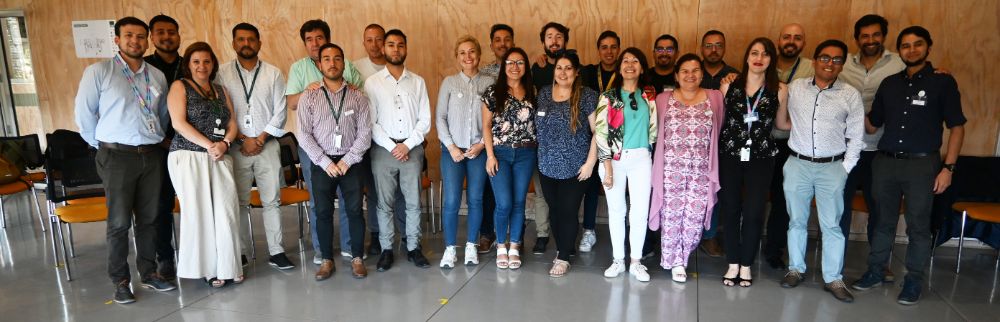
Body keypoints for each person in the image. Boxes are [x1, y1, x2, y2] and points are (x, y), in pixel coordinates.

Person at [852, 26, 966, 306]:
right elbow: (872, 124)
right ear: (899, 50)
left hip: (922, 165)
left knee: (918, 225)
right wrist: (848, 102)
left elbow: (957, 127)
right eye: (905, 45)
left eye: (917, 44)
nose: (911, 50)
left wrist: (948, 168)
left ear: (928, 47)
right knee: (882, 221)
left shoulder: (943, 82)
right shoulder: (889, 83)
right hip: (885, 163)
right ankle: (876, 271)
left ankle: (913, 280)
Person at [74, 16, 175, 304]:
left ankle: (149, 272)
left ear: (147, 41)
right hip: (116, 155)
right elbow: (84, 115)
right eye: (129, 35)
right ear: (117, 39)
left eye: (141, 36)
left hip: (151, 155)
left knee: (150, 219)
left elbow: (162, 116)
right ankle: (120, 281)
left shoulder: (157, 76)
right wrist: (104, 147)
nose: (135, 41)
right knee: (118, 223)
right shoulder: (99, 71)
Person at [777, 40, 864, 303]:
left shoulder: (850, 94)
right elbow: (773, 96)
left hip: (832, 167)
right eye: (824, 58)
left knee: (832, 225)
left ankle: (833, 278)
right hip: (798, 164)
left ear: (842, 64)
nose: (830, 63)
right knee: (796, 221)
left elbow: (856, 136)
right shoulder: (796, 88)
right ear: (814, 61)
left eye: (837, 59)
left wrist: (845, 168)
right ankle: (795, 269)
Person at [285, 19, 363, 264]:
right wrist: (310, 91)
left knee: (350, 203)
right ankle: (323, 251)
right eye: (309, 39)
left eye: (319, 37)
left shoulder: (346, 65)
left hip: (347, 151)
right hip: (315, 151)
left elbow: (359, 93)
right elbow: (292, 103)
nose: (315, 43)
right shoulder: (299, 69)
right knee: (320, 203)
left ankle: (350, 247)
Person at [216, 23, 294, 270]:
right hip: (235, 146)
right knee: (238, 201)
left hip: (267, 145)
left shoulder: (273, 73)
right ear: (233, 43)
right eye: (241, 39)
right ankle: (239, 252)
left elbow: (281, 112)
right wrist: (242, 139)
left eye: (251, 39)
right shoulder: (221, 73)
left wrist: (259, 139)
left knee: (272, 200)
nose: (246, 44)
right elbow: (220, 110)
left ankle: (277, 252)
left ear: (259, 43)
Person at [166, 41, 242, 289]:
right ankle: (208, 269)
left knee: (226, 212)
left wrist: (225, 144)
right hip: (188, 156)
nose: (202, 66)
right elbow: (178, 123)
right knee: (200, 213)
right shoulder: (180, 87)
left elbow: (232, 123)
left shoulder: (221, 90)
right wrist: (210, 145)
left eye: (207, 61)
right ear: (188, 65)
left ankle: (230, 266)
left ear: (213, 64)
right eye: (196, 61)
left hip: (220, 156)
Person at [838, 15, 906, 283]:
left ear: (884, 36)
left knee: (880, 209)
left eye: (876, 35)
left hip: (881, 149)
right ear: (857, 39)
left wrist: (939, 71)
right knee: (839, 207)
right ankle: (836, 260)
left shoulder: (900, 63)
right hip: (844, 148)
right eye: (864, 36)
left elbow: (922, 76)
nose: (870, 40)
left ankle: (879, 263)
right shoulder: (843, 64)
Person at [717, 38, 788, 287]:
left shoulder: (780, 89)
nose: (759, 58)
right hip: (730, 154)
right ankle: (732, 262)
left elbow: (781, 124)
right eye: (754, 52)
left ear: (771, 59)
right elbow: (720, 122)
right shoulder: (729, 85)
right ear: (747, 57)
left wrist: (813, 127)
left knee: (754, 211)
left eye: (765, 54)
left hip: (761, 157)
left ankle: (746, 264)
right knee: (730, 208)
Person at [298, 43, 372, 281]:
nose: (332, 63)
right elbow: (303, 134)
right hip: (323, 163)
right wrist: (325, 162)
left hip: (351, 162)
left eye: (337, 58)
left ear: (343, 63)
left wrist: (348, 160)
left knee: (355, 211)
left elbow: (365, 133)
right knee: (322, 212)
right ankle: (326, 259)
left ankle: (357, 258)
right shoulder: (309, 96)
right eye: (327, 59)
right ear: (320, 64)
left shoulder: (357, 96)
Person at [650, 53, 724, 283]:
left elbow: (718, 128)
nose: (690, 75)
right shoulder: (663, 99)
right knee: (671, 215)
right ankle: (674, 262)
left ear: (702, 74)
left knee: (694, 215)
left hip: (701, 170)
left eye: (695, 70)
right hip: (670, 169)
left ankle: (683, 257)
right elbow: (655, 132)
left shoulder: (715, 97)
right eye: (684, 71)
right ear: (676, 75)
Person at [366, 29, 432, 271]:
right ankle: (386, 249)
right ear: (384, 48)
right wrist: (393, 147)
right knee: (384, 203)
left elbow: (425, 119)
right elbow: (371, 121)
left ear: (406, 48)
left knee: (413, 202)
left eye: (400, 45)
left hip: (411, 149)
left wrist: (407, 145)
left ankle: (413, 247)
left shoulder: (418, 81)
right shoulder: (372, 83)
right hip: (383, 150)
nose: (396, 49)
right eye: (391, 44)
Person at [595, 48, 657, 282]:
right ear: (619, 68)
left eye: (635, 61)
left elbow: (654, 130)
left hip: (642, 158)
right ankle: (618, 260)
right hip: (614, 160)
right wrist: (608, 167)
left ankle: (636, 262)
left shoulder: (649, 95)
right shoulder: (609, 97)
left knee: (639, 212)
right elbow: (601, 133)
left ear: (642, 68)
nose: (630, 64)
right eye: (625, 61)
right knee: (617, 211)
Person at [536, 50, 598, 277]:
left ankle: (562, 257)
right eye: (559, 68)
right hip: (546, 164)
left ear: (576, 72)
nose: (563, 73)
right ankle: (565, 246)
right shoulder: (544, 93)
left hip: (576, 166)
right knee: (554, 210)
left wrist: (590, 162)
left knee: (568, 210)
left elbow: (598, 132)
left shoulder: (587, 96)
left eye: (568, 68)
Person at [436, 35, 493, 268]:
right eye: (462, 53)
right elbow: (440, 117)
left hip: (478, 151)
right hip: (452, 152)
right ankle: (450, 248)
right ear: (457, 57)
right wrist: (451, 147)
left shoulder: (489, 83)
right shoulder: (449, 83)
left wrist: (481, 145)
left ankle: (471, 245)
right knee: (451, 200)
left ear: (479, 55)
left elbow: (495, 119)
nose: (467, 56)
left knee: (476, 199)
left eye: (472, 52)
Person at [763, 22, 815, 270]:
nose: (791, 41)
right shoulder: (764, 63)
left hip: (790, 144)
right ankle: (745, 245)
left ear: (803, 43)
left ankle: (774, 249)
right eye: (786, 37)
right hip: (760, 142)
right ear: (778, 41)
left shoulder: (811, 68)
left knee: (783, 200)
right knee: (755, 197)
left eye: (797, 37)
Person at [482, 47, 536, 270]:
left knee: (518, 201)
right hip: (500, 153)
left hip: (526, 153)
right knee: (504, 202)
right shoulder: (493, 92)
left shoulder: (532, 90)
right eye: (510, 62)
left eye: (520, 62)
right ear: (503, 66)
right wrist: (490, 156)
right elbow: (486, 126)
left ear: (526, 66)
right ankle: (501, 245)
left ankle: (514, 245)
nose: (515, 67)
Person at [143, 14, 181, 280]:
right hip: (157, 146)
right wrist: (162, 139)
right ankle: (164, 257)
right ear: (152, 37)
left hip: (192, 145)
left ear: (178, 35)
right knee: (161, 204)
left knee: (196, 201)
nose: (167, 37)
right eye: (160, 32)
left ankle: (198, 252)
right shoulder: (144, 69)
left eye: (171, 32)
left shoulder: (189, 65)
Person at [577, 30, 620, 253]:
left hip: (619, 137)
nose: (609, 51)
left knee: (619, 184)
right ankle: (589, 229)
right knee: (592, 185)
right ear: (598, 50)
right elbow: (564, 68)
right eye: (604, 47)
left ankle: (622, 232)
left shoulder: (625, 72)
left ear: (618, 49)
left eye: (613, 47)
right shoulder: (587, 72)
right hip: (591, 136)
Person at [529, 22, 569, 254]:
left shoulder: (575, 67)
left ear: (565, 40)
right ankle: (542, 234)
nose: (554, 41)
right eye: (549, 37)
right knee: (542, 192)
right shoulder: (537, 68)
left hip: (569, 144)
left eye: (559, 37)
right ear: (543, 42)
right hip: (542, 142)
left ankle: (567, 236)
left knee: (566, 195)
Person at [698, 30, 737, 258]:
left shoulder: (734, 75)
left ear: (724, 48)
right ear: (701, 48)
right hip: (693, 141)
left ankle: (710, 235)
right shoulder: (694, 72)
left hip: (723, 142)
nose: (713, 50)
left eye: (718, 45)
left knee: (716, 189)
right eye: (708, 45)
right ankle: (689, 233)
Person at [475, 24, 512, 254]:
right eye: (497, 40)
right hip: (488, 142)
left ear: (513, 43)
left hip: (513, 142)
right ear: (491, 45)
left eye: (507, 39)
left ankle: (513, 237)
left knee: (512, 194)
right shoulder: (484, 74)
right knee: (487, 190)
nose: (502, 44)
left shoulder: (520, 69)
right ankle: (487, 234)